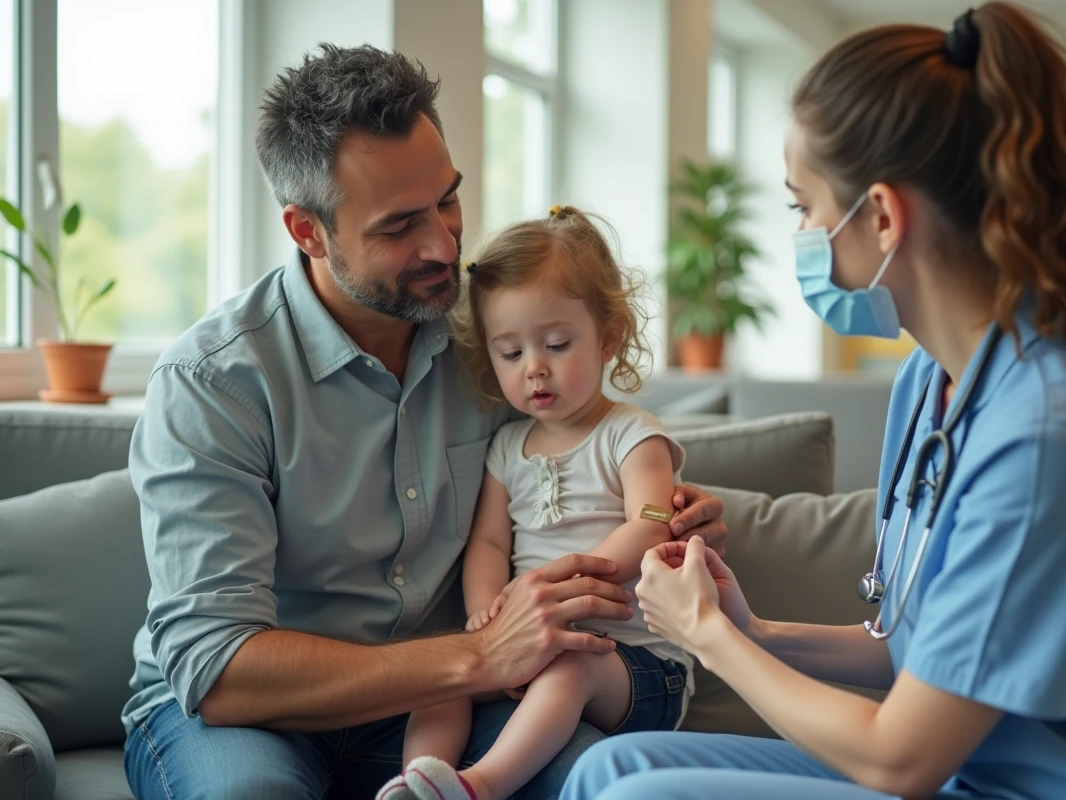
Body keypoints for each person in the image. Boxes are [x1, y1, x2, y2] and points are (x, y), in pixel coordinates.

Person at [561, 4, 1066, 799]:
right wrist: (750, 629)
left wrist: (709, 640)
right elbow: (925, 648)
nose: (802, 232)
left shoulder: (1052, 435)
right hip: (980, 772)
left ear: (884, 216)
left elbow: (904, 759)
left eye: (804, 208)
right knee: (615, 766)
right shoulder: (931, 382)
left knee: (638, 797)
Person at [120, 44, 726, 800]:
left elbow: (573, 448)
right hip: (256, 719)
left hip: (442, 703)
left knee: (599, 786)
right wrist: (478, 655)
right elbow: (219, 671)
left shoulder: (493, 346)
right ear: (308, 231)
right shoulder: (212, 385)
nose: (443, 245)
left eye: (448, 199)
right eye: (400, 224)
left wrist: (663, 508)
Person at [377, 206, 694, 800]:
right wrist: (485, 620)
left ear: (608, 337)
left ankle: (480, 786)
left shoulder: (632, 435)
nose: (535, 369)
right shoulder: (507, 445)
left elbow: (651, 527)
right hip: (527, 644)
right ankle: (421, 781)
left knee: (569, 670)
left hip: (631, 665)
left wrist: (550, 587)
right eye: (511, 353)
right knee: (442, 673)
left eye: (556, 343)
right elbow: (490, 543)